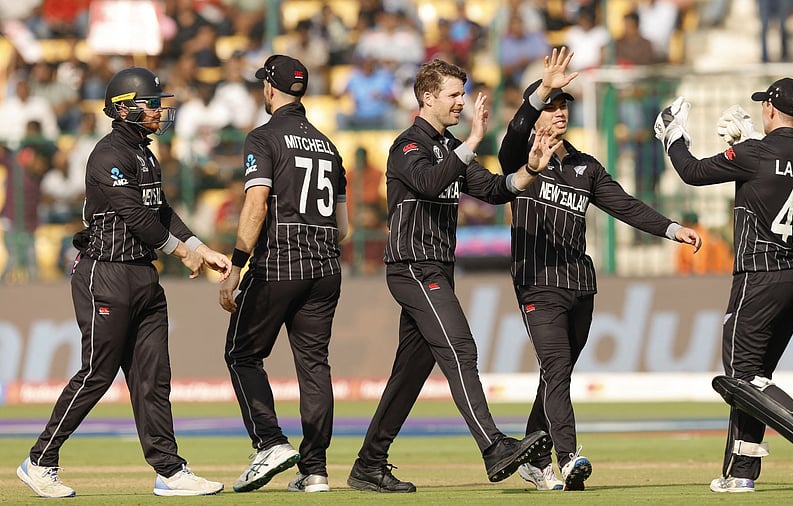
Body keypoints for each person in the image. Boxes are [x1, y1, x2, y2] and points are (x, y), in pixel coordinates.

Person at [16, 66, 230, 498]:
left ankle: (169, 471)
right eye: (151, 104)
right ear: (124, 108)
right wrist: (179, 251)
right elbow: (134, 215)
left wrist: (200, 246)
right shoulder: (107, 155)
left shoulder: (145, 153)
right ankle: (39, 461)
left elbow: (161, 209)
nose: (158, 111)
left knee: (153, 377)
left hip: (142, 275)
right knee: (98, 372)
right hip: (105, 273)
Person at [348, 58, 557, 493]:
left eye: (462, 94)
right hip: (413, 267)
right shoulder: (408, 146)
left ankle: (369, 464)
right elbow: (427, 182)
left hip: (435, 268)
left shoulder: (451, 149)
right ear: (427, 98)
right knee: (461, 347)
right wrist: (474, 141)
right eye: (454, 95)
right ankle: (493, 446)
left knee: (409, 373)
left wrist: (531, 169)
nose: (462, 102)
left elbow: (496, 191)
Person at [497, 47, 702, 492]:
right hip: (537, 283)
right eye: (550, 106)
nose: (559, 113)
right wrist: (543, 89)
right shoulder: (519, 160)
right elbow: (514, 132)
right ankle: (568, 458)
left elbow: (624, 205)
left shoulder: (585, 166)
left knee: (559, 372)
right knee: (555, 367)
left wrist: (672, 229)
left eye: (562, 106)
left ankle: (531, 455)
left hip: (579, 286)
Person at [654, 77, 793, 493]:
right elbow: (779, 168)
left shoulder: (756, 152)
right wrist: (752, 139)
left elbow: (692, 171)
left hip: (759, 274)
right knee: (757, 377)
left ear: (772, 110)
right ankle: (740, 472)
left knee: (740, 376)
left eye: (763, 107)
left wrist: (673, 135)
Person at [219, 54, 349, 495]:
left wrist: (236, 265)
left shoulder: (263, 137)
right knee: (314, 366)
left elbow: (256, 204)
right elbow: (344, 228)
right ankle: (315, 470)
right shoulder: (329, 146)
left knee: (241, 354)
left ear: (270, 89)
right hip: (326, 265)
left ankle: (270, 442)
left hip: (280, 261)